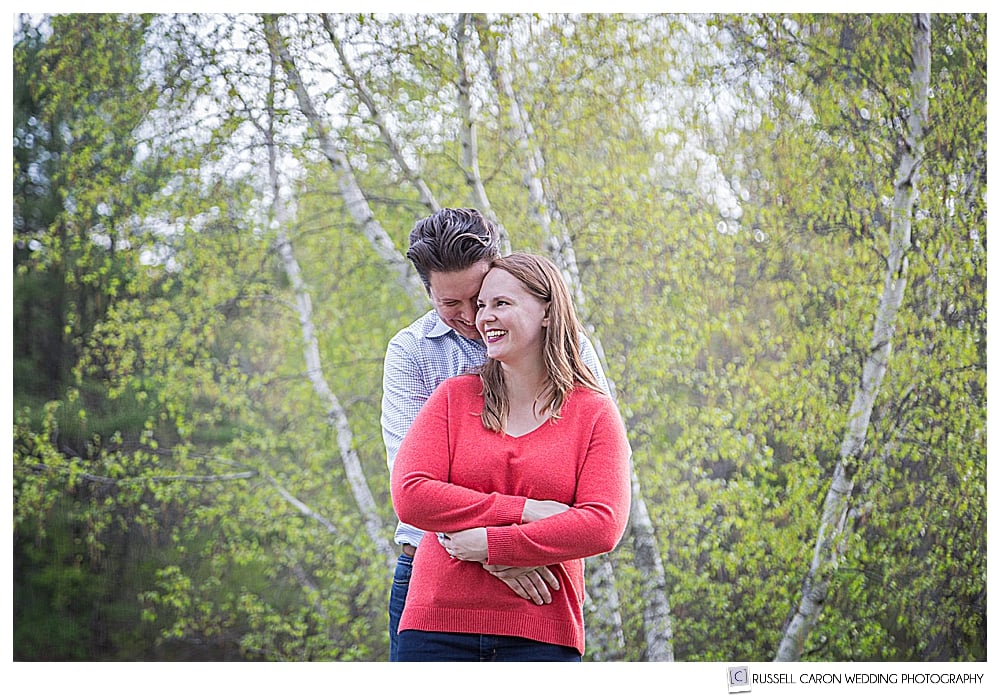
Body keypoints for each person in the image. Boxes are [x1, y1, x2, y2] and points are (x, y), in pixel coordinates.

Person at [381, 208, 611, 661]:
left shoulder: (571, 349)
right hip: (432, 571)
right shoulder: (411, 353)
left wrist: (509, 545)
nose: (470, 316)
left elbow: (598, 470)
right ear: (428, 294)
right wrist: (493, 548)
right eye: (451, 304)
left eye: (479, 297)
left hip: (540, 580)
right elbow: (414, 486)